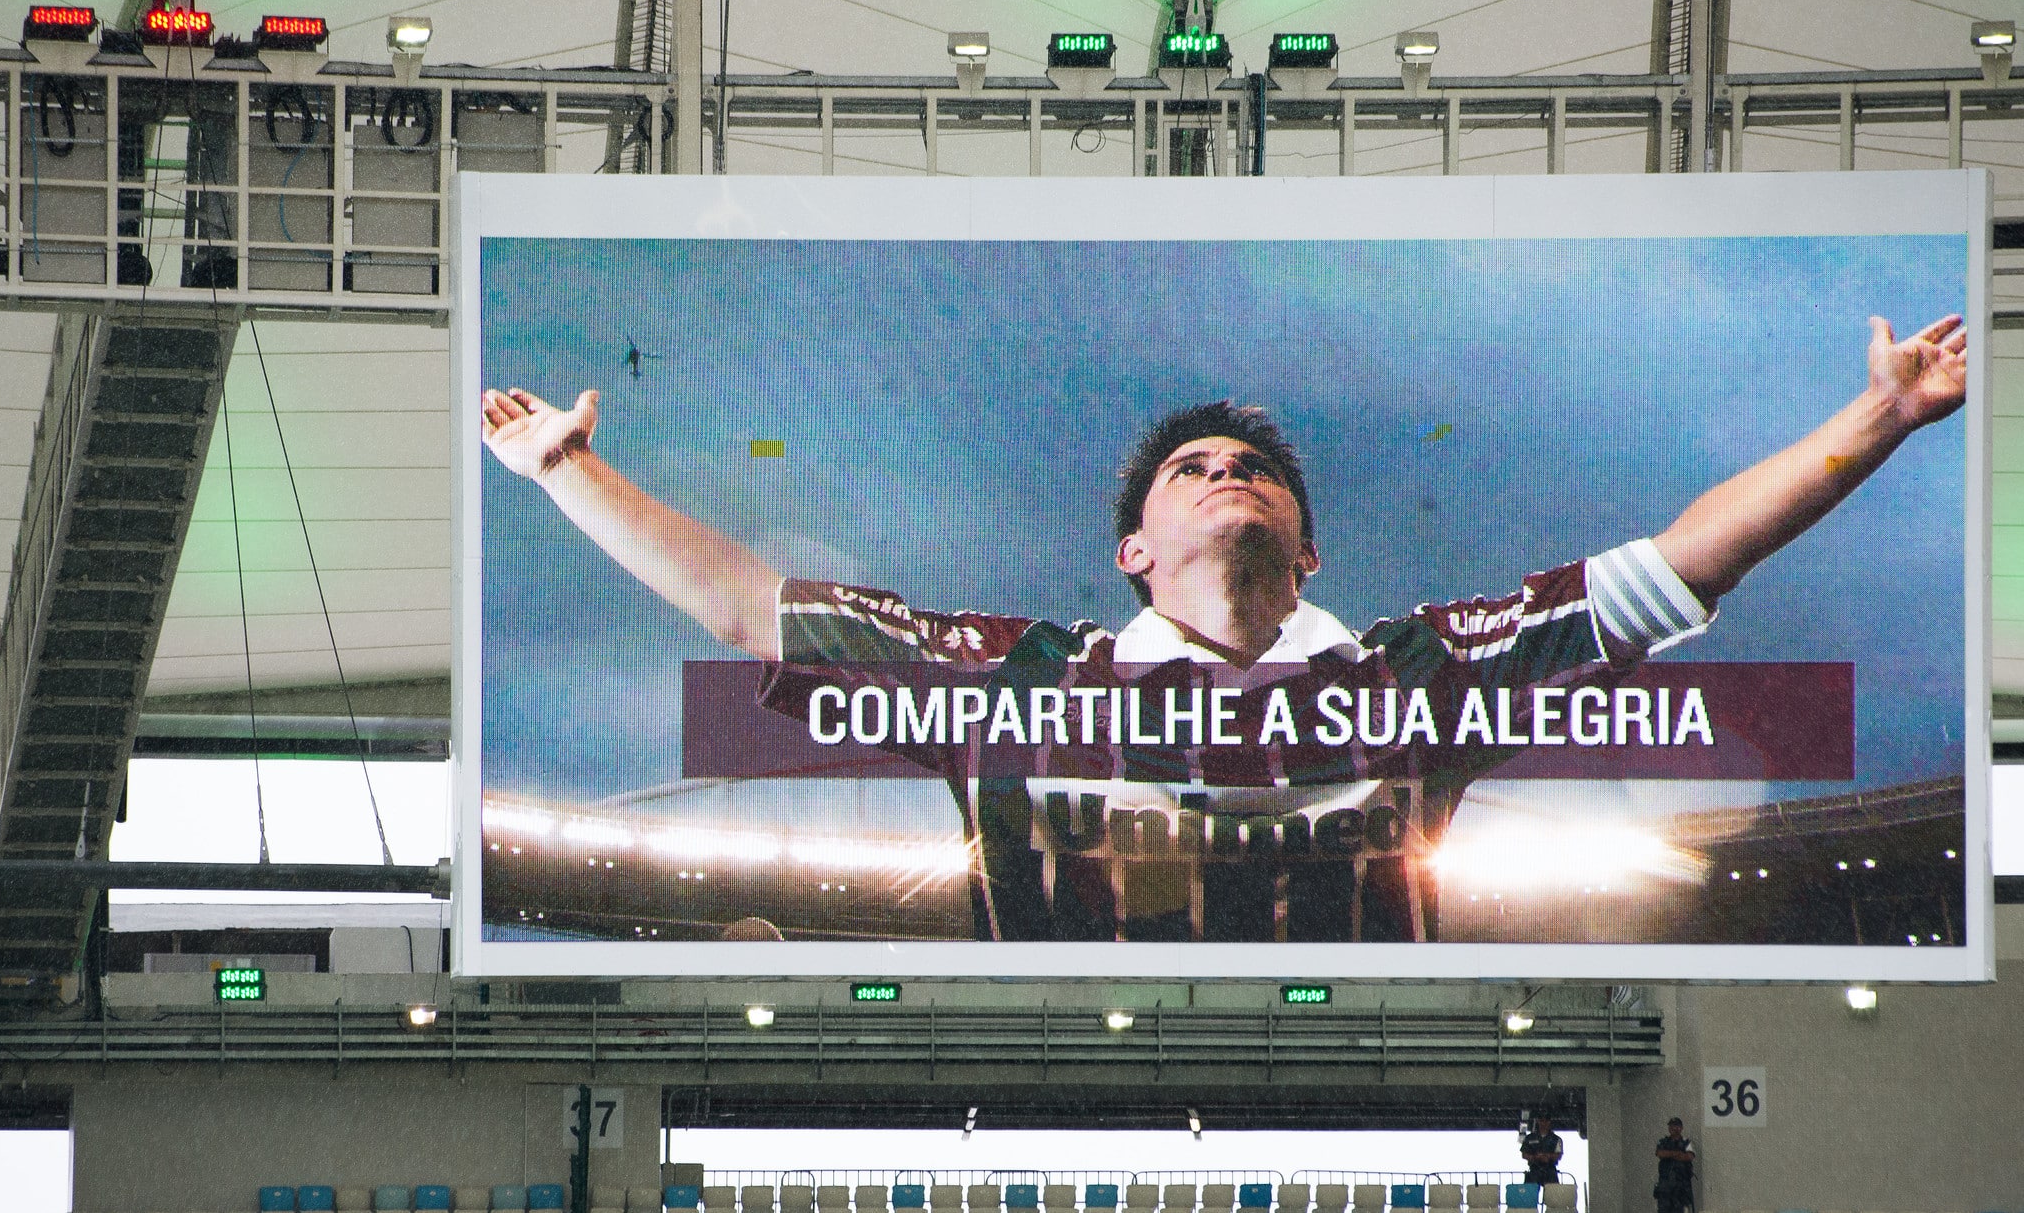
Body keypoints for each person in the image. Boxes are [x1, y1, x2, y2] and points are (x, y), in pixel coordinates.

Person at [481, 314, 1968, 942]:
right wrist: (566, 468)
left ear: (1306, 544)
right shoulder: (1014, 678)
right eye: (1194, 469)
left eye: (1255, 468)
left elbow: (1674, 566)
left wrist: (1881, 416)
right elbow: (754, 606)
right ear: (1132, 550)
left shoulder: (1410, 673)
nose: (1229, 477)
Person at [1655, 1118, 1695, 1213]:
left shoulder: (1687, 1142)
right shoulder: (1663, 1142)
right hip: (1665, 1185)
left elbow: (1689, 1156)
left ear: (1681, 1128)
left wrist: (1669, 1154)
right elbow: (1660, 1153)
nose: (1674, 1128)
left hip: (1682, 1186)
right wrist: (1676, 1153)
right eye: (1672, 1126)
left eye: (1676, 1126)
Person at [1521, 1114, 1563, 1185]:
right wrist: (1535, 1157)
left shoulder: (1556, 1139)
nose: (1544, 1123)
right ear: (1538, 1121)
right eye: (1541, 1121)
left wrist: (1548, 1156)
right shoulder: (1529, 1138)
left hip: (1550, 1170)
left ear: (1549, 1122)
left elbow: (1558, 1155)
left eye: (1546, 1121)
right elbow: (1524, 1154)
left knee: (1553, 1193)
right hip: (1534, 1170)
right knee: (1530, 1193)